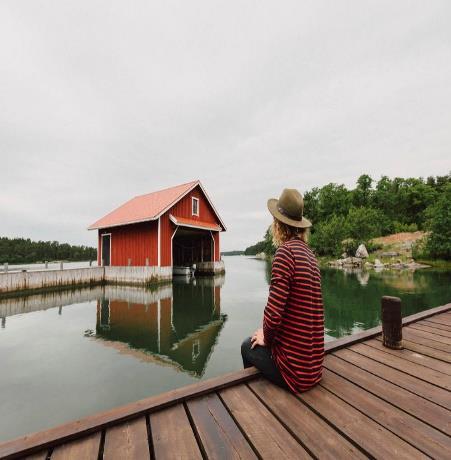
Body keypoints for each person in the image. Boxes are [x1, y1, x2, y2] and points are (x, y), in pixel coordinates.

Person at [241, 188, 324, 393]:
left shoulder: (285, 253)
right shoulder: (310, 256)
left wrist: (265, 338)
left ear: (278, 225)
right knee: (258, 341)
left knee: (247, 345)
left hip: (295, 374)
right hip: (314, 369)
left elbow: (273, 315)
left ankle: (261, 401)